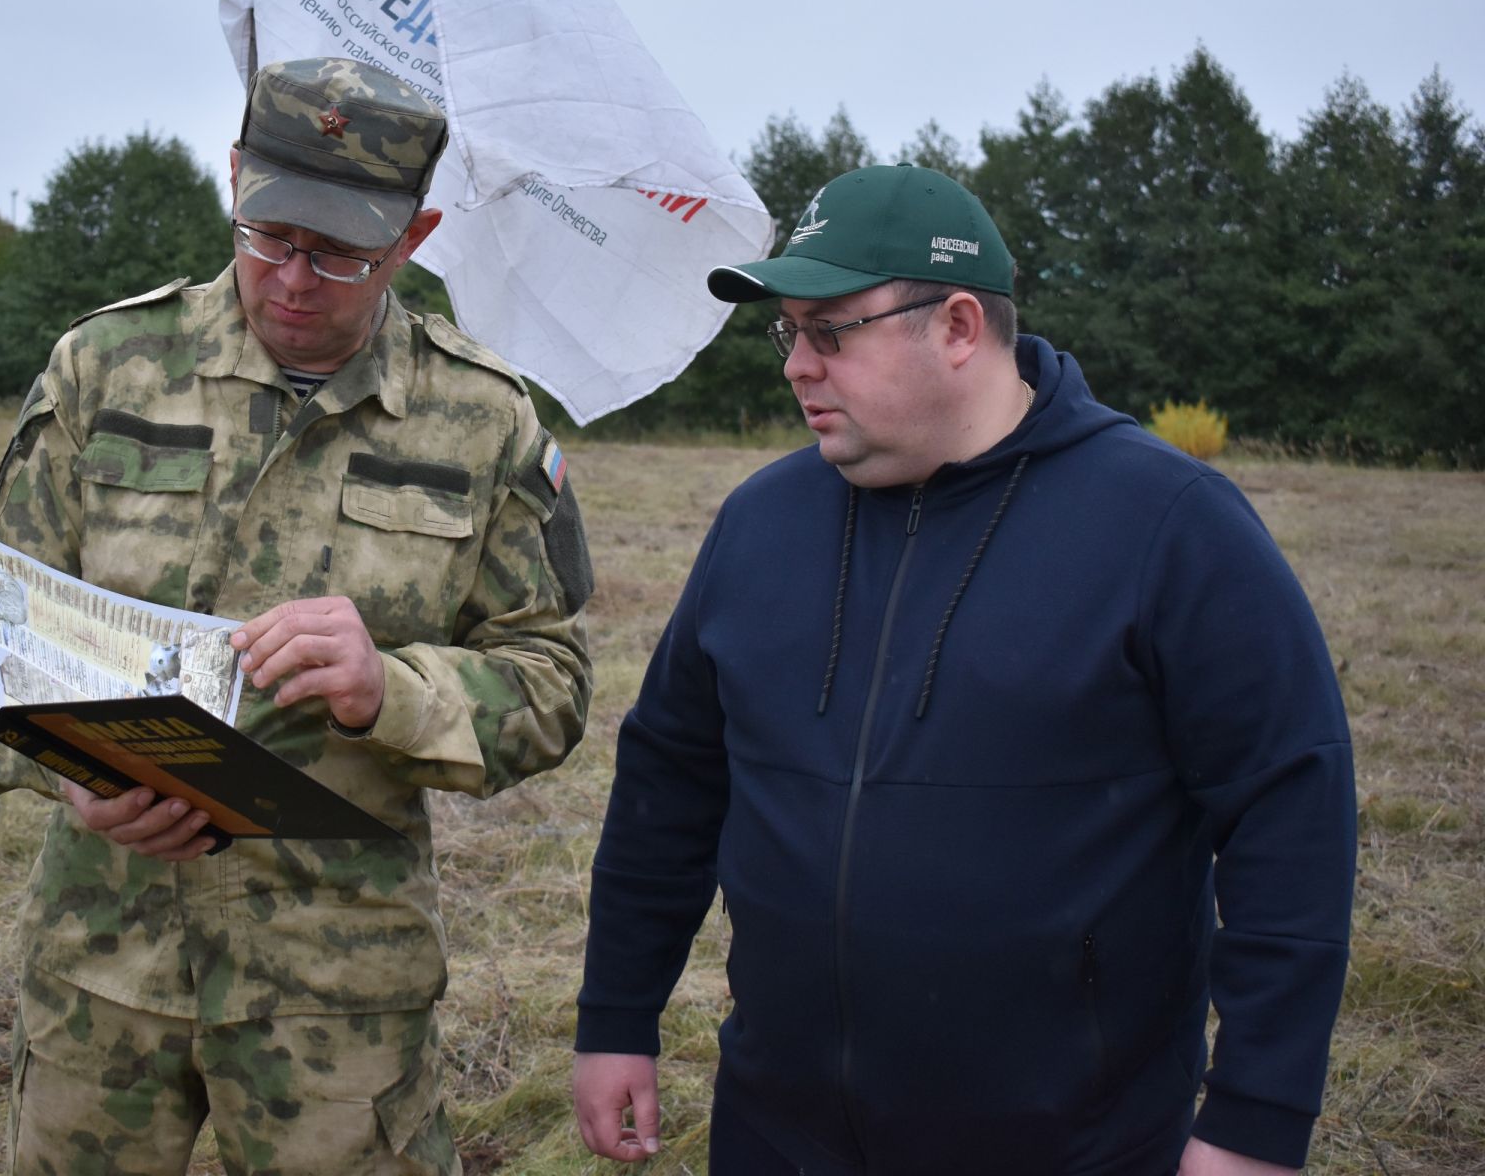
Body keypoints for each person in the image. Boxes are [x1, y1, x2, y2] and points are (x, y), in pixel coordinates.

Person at [570, 164, 1355, 1175]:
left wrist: (1254, 1117)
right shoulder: (760, 524)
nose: (797, 366)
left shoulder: (1166, 525)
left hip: (1069, 1142)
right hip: (779, 1129)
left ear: (958, 325)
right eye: (789, 332)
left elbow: (1291, 810)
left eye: (832, 331)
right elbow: (670, 781)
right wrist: (617, 1012)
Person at [0, 57, 594, 1175]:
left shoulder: (483, 419)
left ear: (416, 232)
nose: (295, 279)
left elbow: (549, 681)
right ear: (236, 179)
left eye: (343, 251)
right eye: (271, 235)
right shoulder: (104, 368)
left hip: (338, 990)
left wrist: (390, 691)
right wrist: (64, 770)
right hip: (99, 966)